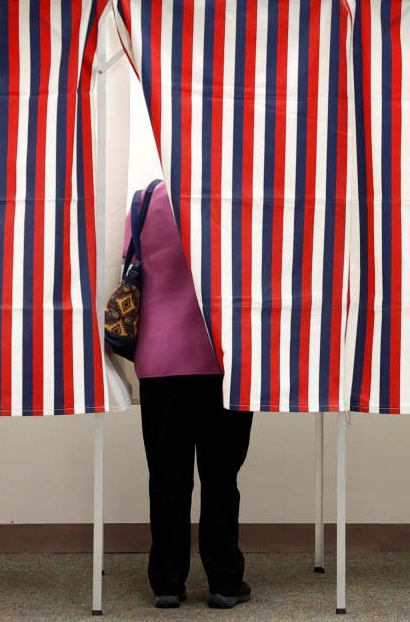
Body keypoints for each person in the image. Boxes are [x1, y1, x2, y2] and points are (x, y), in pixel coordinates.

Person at [123, 180, 254, 610]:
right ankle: (224, 583)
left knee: (166, 477)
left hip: (159, 361)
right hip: (223, 359)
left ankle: (167, 583)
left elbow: (130, 263)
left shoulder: (144, 202)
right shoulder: (236, 199)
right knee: (220, 477)